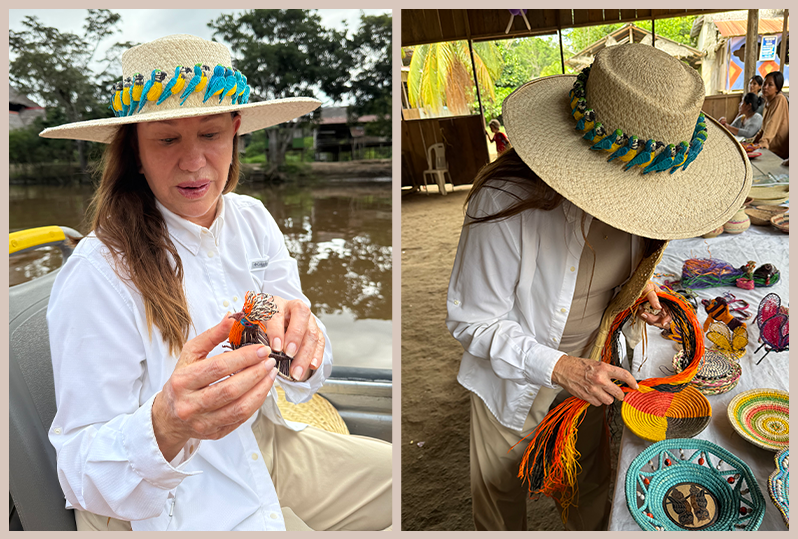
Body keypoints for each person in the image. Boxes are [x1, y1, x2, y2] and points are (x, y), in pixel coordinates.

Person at [41, 34, 391, 531]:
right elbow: (80, 471)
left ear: (235, 131)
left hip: (258, 441)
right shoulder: (99, 270)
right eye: (166, 139)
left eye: (210, 135)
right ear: (135, 151)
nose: (193, 161)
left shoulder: (252, 220)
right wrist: (167, 421)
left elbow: (292, 346)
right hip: (163, 495)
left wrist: (299, 346)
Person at [446, 43, 751, 531]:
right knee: (500, 496)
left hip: (594, 373)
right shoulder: (505, 203)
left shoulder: (653, 196)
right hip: (514, 380)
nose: (626, 203)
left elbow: (611, 270)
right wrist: (561, 367)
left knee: (589, 487)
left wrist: (635, 289)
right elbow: (473, 321)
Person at [753, 70, 789, 158]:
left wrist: (763, 142)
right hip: (769, 147)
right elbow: (763, 128)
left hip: (777, 150)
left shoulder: (780, 99)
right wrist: (753, 142)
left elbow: (772, 124)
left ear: (777, 88)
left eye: (770, 85)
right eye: (764, 84)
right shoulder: (767, 102)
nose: (765, 87)